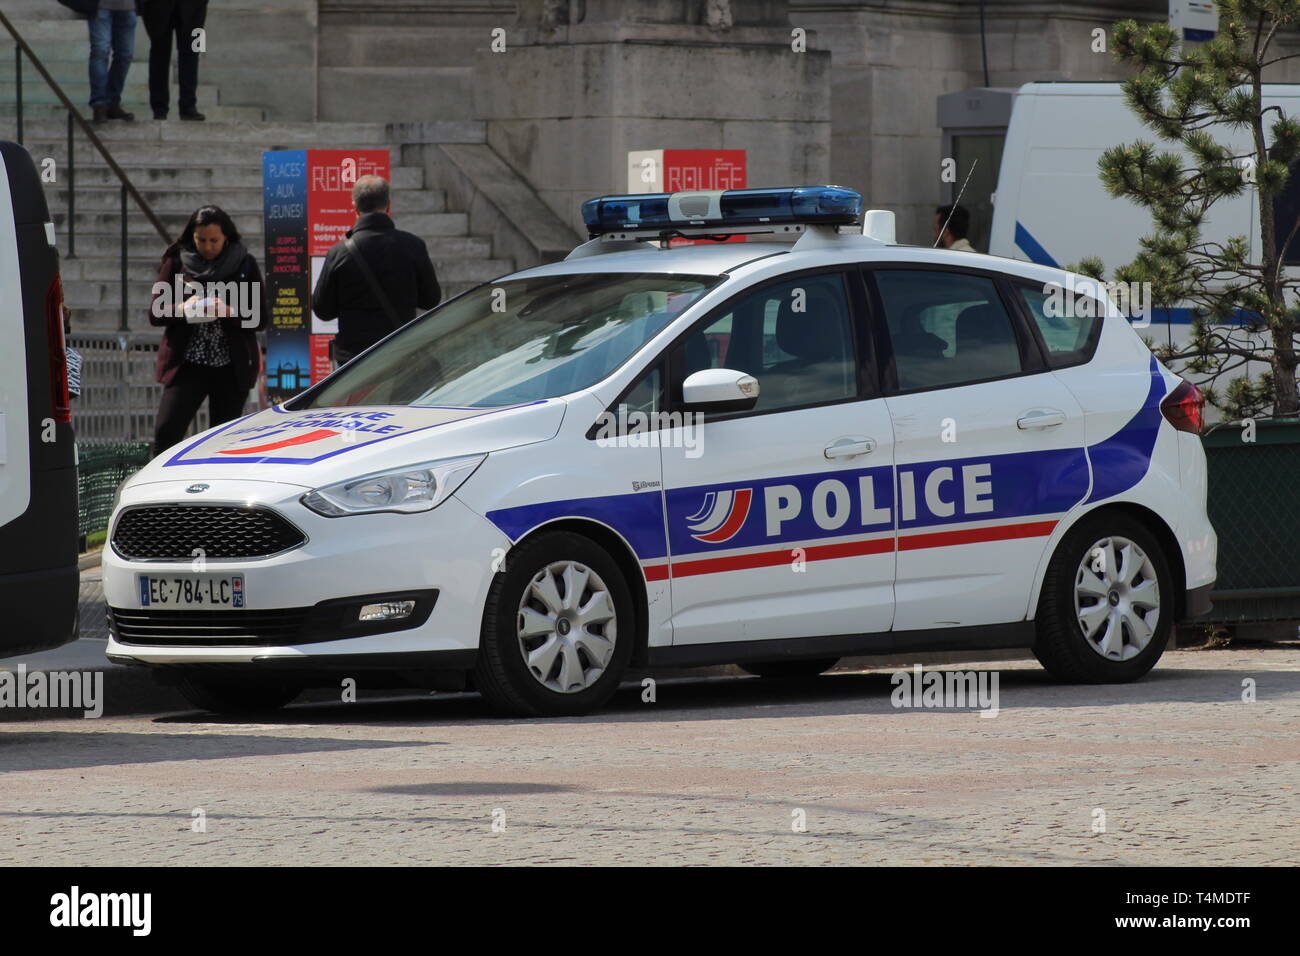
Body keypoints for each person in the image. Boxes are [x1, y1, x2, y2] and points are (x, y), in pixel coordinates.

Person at [149, 205, 268, 455]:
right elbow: (156, 312)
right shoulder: (176, 260)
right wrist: (182, 308)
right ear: (191, 237)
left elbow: (260, 317)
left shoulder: (244, 263)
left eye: (214, 240)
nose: (207, 246)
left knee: (223, 440)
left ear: (226, 237)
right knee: (167, 432)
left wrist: (230, 311)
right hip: (187, 364)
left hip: (230, 366)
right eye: (201, 240)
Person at [312, 175, 441, 367]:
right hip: (401, 352)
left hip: (354, 359)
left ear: (354, 207)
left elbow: (323, 310)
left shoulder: (339, 252)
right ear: (388, 206)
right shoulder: (414, 246)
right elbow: (431, 299)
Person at [66, 0, 140, 124]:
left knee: (125, 55)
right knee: (100, 51)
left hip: (128, 7)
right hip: (100, 7)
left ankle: (112, 103)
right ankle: (99, 104)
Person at [140, 0, 209, 121]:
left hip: (196, 8)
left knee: (193, 53)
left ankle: (189, 105)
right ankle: (159, 108)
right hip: (157, 8)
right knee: (159, 54)